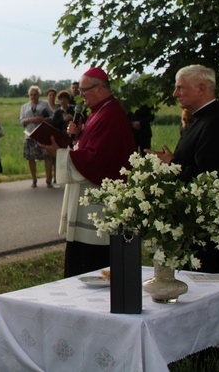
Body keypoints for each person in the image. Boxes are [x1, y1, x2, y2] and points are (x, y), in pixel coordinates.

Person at [40, 67, 136, 278]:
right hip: (86, 198)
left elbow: (97, 159)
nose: (80, 96)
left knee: (91, 265)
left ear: (101, 88)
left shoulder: (111, 116)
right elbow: (87, 147)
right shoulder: (97, 113)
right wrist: (77, 135)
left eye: (84, 90)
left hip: (97, 210)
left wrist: (61, 153)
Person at [148, 65, 219, 274]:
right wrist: (169, 160)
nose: (175, 94)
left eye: (180, 88)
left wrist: (171, 165)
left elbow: (206, 178)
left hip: (210, 228)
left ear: (201, 88)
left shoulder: (215, 123)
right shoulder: (202, 119)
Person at [19, 85, 53, 188]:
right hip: (30, 135)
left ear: (39, 95)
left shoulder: (45, 104)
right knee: (31, 158)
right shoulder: (25, 107)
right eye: (31, 95)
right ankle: (34, 180)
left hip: (43, 134)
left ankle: (48, 180)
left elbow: (52, 116)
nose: (33, 96)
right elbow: (20, 121)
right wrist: (30, 120)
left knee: (47, 156)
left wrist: (43, 120)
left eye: (35, 94)